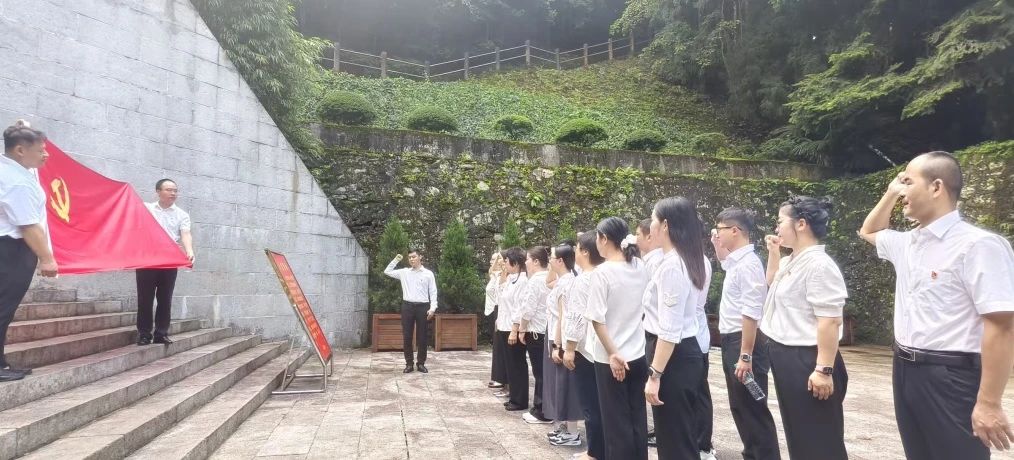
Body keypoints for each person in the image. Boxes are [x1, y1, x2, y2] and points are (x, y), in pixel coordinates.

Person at [859, 151, 1014, 459]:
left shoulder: (977, 245)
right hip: (904, 369)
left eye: (908, 182)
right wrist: (890, 192)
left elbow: (1002, 325)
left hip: (950, 376)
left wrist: (989, 402)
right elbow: (869, 231)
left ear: (936, 187)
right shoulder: (908, 243)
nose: (902, 190)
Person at [761, 196, 849, 460]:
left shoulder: (819, 265)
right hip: (787, 356)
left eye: (780, 221)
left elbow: (830, 320)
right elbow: (771, 282)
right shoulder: (792, 261)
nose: (776, 228)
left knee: (819, 439)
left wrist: (823, 370)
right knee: (800, 434)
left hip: (808, 359)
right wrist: (774, 252)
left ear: (801, 224)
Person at [643, 197, 711, 459]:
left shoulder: (673, 266)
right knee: (678, 434)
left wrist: (655, 375)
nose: (650, 225)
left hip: (672, 355)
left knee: (674, 438)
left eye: (653, 219)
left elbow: (669, 329)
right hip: (679, 351)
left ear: (665, 225)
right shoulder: (682, 258)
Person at [711, 207, 780, 460]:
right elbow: (724, 260)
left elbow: (751, 313)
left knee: (752, 408)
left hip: (743, 342)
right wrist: (717, 244)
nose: (717, 234)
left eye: (719, 230)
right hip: (733, 341)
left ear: (735, 230)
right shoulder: (737, 262)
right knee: (740, 406)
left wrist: (745, 355)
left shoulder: (749, 265)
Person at [586, 217, 649, 460]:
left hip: (610, 357)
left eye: (597, 238)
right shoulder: (639, 266)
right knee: (637, 419)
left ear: (604, 239)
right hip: (637, 352)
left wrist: (613, 353)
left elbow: (597, 319)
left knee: (616, 424)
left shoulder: (602, 273)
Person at [1, 120, 58, 382]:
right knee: (3, 308)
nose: (45, 154)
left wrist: (21, 128)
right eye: (40, 150)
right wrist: (47, 259)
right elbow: (27, 224)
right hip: (12, 250)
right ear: (20, 150)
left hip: (10, 249)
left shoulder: (12, 170)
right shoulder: (17, 182)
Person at [563, 231, 606, 460]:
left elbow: (576, 317)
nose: (575, 252)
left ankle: (594, 452)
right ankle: (603, 449)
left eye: (578, 248)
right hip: (605, 346)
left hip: (586, 348)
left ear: (586, 252)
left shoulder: (583, 280)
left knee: (591, 403)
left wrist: (569, 348)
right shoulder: (605, 274)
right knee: (603, 402)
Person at [136, 179, 195, 346]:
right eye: (169, 190)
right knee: (145, 298)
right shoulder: (146, 208)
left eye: (175, 190)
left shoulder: (182, 214)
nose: (173, 193)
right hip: (147, 258)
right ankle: (144, 334)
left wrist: (189, 251)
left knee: (165, 298)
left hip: (169, 259)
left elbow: (185, 234)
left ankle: (161, 333)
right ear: (158, 191)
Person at [544, 242, 583, 447]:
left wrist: (557, 345)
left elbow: (562, 317)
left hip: (561, 337)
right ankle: (565, 427)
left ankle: (573, 432)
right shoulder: (562, 281)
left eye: (551, 257)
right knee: (560, 385)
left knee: (567, 385)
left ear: (560, 261)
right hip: (556, 335)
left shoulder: (567, 283)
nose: (549, 261)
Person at [384, 250, 437, 373]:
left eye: (414, 257)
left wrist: (432, 308)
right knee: (407, 336)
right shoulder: (404, 272)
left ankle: (421, 363)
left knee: (422, 337)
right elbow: (387, 271)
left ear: (420, 257)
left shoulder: (428, 274)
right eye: (409, 257)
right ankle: (409, 364)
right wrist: (396, 260)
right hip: (407, 306)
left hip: (423, 307)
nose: (411, 259)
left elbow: (433, 292)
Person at [517, 246, 553, 423]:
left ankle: (541, 410)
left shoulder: (535, 281)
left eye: (528, 259)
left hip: (536, 331)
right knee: (545, 373)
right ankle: (545, 408)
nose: (526, 262)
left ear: (536, 261)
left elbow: (528, 309)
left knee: (540, 373)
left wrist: (522, 328)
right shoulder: (552, 278)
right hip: (548, 330)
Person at [635, 217, 662, 448]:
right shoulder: (650, 261)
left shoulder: (657, 263)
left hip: (657, 332)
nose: (635, 239)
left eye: (638, 235)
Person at [500, 247, 530, 411]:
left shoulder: (523, 281)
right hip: (504, 325)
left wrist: (514, 329)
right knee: (510, 365)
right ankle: (514, 396)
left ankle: (520, 400)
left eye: (507, 261)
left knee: (517, 364)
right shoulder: (511, 279)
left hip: (513, 327)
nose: (505, 263)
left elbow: (520, 307)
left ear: (516, 263)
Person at [485, 251, 507, 389]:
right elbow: (491, 270)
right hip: (492, 310)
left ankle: (501, 379)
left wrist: (500, 257)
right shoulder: (495, 275)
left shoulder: (504, 276)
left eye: (495, 259)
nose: (492, 262)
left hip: (499, 310)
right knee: (496, 347)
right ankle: (498, 377)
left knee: (499, 347)